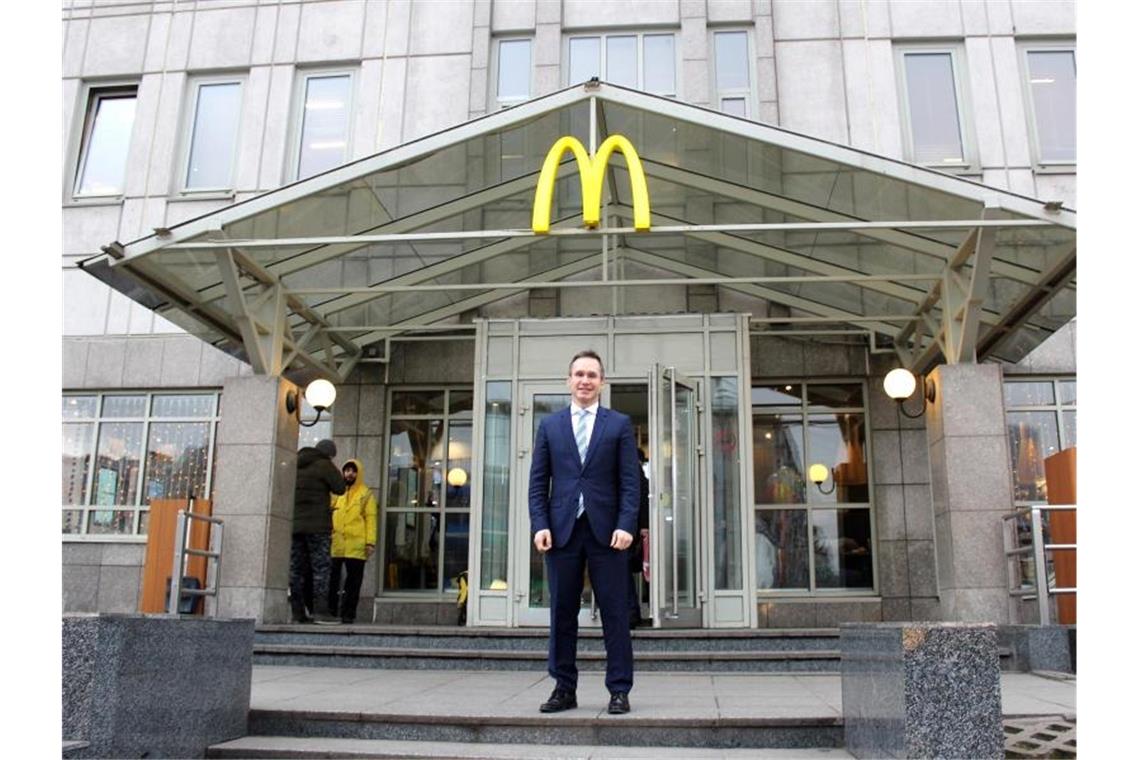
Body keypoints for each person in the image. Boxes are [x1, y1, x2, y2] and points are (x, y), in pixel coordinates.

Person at [529, 349, 640, 715]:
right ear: (568, 380)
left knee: (615, 612)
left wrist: (627, 525)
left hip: (608, 533)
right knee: (562, 612)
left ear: (602, 382)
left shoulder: (619, 424)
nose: (585, 380)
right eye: (579, 374)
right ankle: (564, 688)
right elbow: (537, 483)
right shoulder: (550, 426)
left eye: (592, 375)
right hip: (561, 532)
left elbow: (630, 483)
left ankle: (619, 689)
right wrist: (540, 524)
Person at [290, 438, 345, 623]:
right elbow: (340, 488)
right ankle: (321, 611)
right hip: (318, 527)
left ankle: (297, 611)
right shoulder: (324, 465)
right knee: (321, 568)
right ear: (329, 453)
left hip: (295, 526)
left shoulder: (296, 464)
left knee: (296, 569)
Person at [328, 458, 377, 625]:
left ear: (359, 473)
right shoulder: (337, 493)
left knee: (353, 583)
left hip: (356, 546)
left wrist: (370, 542)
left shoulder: (365, 494)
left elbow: (371, 519)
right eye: (347, 470)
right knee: (332, 580)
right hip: (337, 544)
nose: (350, 473)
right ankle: (332, 612)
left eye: (353, 470)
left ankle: (348, 614)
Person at [628, 448, 650, 628]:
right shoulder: (640, 475)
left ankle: (631, 615)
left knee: (623, 573)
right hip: (633, 531)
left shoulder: (632, 473)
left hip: (628, 531)